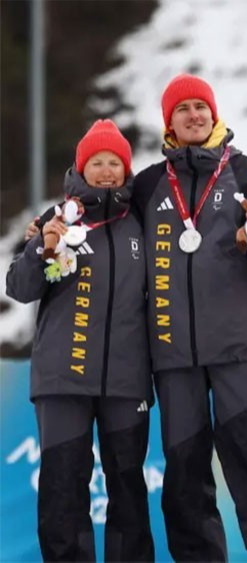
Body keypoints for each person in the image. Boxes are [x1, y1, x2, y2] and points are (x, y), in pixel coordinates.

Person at [131, 73, 247, 561]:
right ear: (169, 122)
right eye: (182, 109)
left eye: (200, 107)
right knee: (184, 475)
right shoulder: (147, 186)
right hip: (174, 356)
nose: (194, 115)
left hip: (241, 350)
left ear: (214, 114)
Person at [7, 120, 154, 561]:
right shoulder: (55, 220)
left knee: (128, 494)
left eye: (114, 163)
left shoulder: (142, 222)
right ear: (81, 168)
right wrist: (41, 247)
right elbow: (19, 287)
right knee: (62, 492)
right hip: (63, 380)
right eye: (97, 163)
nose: (106, 171)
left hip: (126, 381)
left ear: (126, 169)